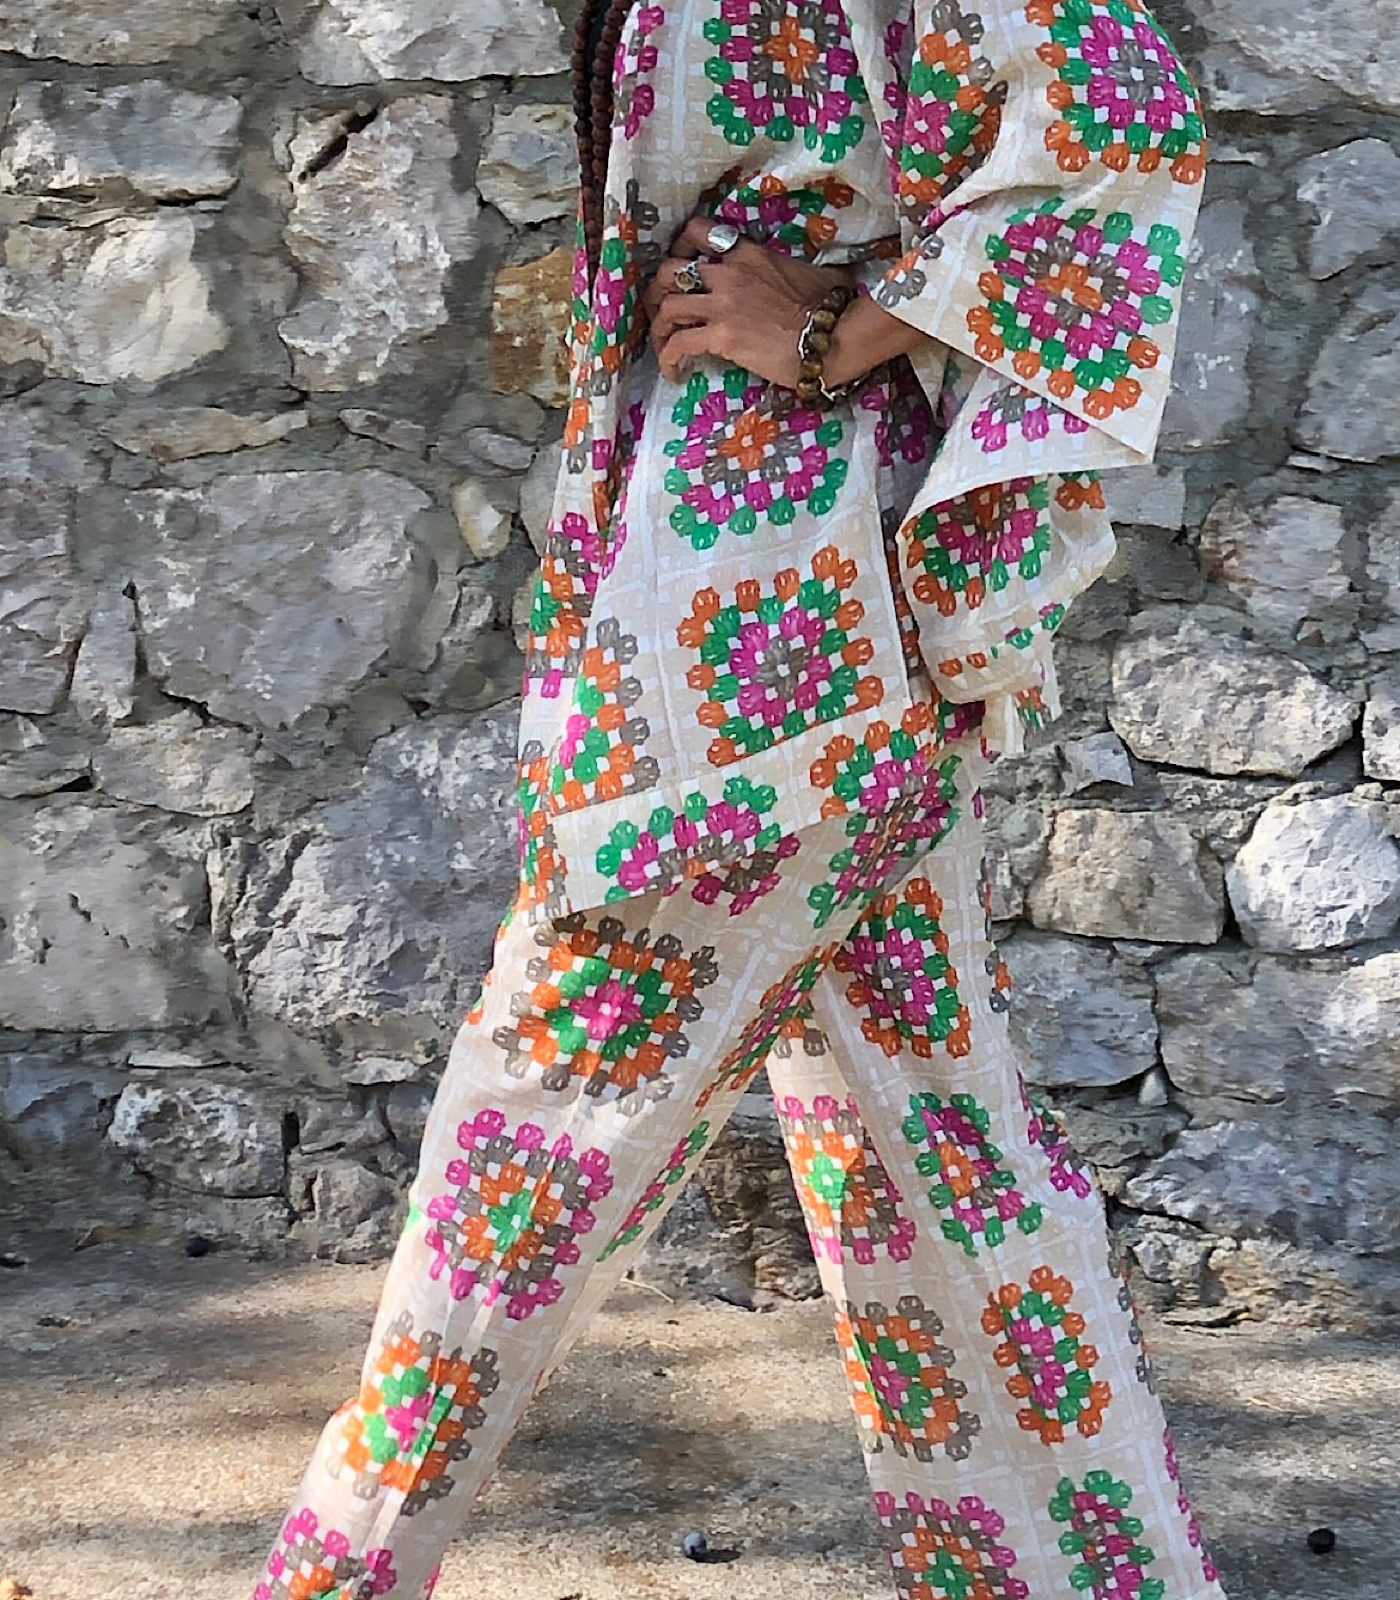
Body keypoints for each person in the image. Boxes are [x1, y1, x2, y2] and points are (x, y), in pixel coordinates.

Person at [254, 1, 1221, 1597]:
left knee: (533, 1128)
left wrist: (842, 329)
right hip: (782, 600)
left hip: (778, 620)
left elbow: (1120, 108)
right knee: (939, 1162)